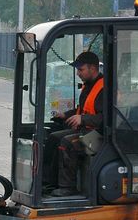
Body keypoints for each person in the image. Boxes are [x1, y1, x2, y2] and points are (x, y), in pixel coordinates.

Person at [44, 51, 104, 197]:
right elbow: (81, 110)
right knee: (53, 137)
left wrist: (83, 119)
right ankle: (48, 183)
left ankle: (68, 187)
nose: (78, 73)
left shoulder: (104, 89)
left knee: (67, 142)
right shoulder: (89, 86)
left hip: (100, 137)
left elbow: (107, 118)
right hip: (86, 131)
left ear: (92, 68)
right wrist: (65, 115)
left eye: (80, 69)